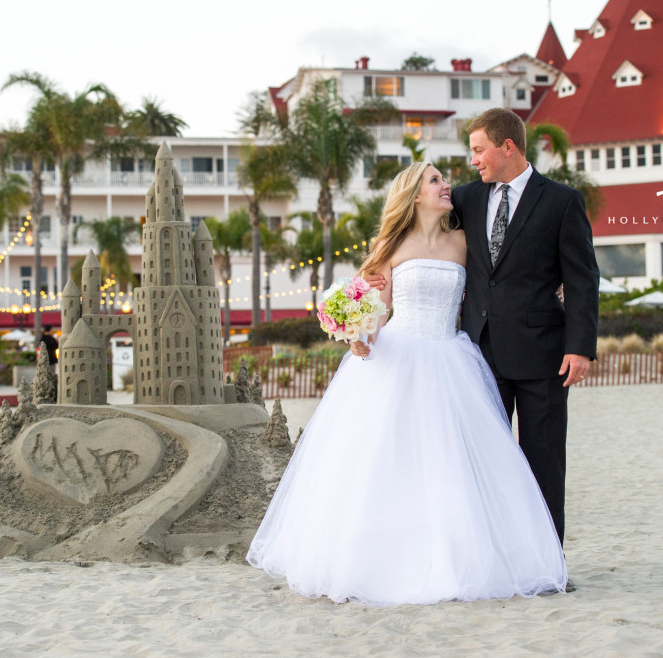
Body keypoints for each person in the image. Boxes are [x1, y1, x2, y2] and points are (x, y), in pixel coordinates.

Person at [247, 162, 567, 606]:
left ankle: (458, 557)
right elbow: (376, 309)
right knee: (386, 460)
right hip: (398, 358)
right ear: (414, 194)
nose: (445, 185)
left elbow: (499, 280)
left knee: (450, 463)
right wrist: (360, 337)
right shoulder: (390, 245)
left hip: (452, 360)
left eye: (443, 179)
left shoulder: (464, 241)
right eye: (435, 180)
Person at [367, 108, 599, 547]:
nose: (473, 160)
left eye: (478, 150)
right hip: (478, 357)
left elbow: (583, 279)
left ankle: (546, 560)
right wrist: (379, 283)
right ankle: (494, 555)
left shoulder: (562, 201)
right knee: (482, 461)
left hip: (542, 354)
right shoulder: (467, 200)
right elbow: (421, 244)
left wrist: (580, 346)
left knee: (544, 460)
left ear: (506, 146)